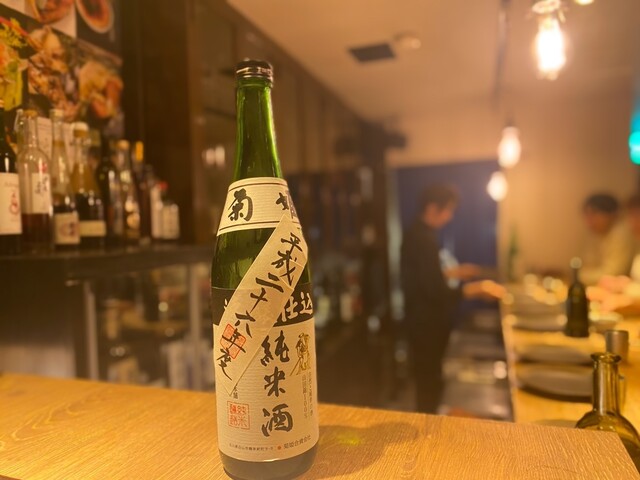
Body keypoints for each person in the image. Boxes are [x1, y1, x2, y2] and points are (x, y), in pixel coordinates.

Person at [400, 183, 504, 414]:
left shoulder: (417, 233)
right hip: (426, 325)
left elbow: (423, 275)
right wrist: (478, 289)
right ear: (432, 208)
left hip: (420, 322)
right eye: (448, 210)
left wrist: (454, 272)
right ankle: (428, 426)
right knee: (429, 382)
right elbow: (434, 291)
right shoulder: (423, 239)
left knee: (428, 379)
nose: (450, 216)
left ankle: (428, 421)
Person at [589, 194, 640, 314]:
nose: (630, 222)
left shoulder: (620, 235)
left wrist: (626, 295)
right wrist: (623, 284)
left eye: (634, 215)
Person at [581, 193, 634, 285]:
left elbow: (614, 272)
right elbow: (587, 263)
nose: (590, 221)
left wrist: (580, 276)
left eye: (594, 214)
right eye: (587, 215)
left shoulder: (621, 233)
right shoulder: (597, 233)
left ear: (612, 214)